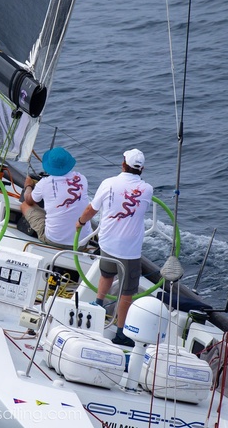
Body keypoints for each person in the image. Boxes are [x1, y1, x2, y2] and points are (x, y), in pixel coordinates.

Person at [75, 148, 153, 347]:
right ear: (142, 168)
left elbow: (91, 209)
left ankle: (98, 304)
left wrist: (80, 223)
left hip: (107, 243)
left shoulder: (108, 183)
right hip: (130, 250)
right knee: (127, 292)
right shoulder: (148, 189)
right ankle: (120, 332)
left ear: (123, 164)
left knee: (107, 274)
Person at [21, 147, 92, 248]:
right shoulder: (82, 178)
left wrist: (28, 185)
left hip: (54, 240)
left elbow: (29, 200)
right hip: (82, 243)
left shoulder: (44, 183)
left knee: (24, 205)